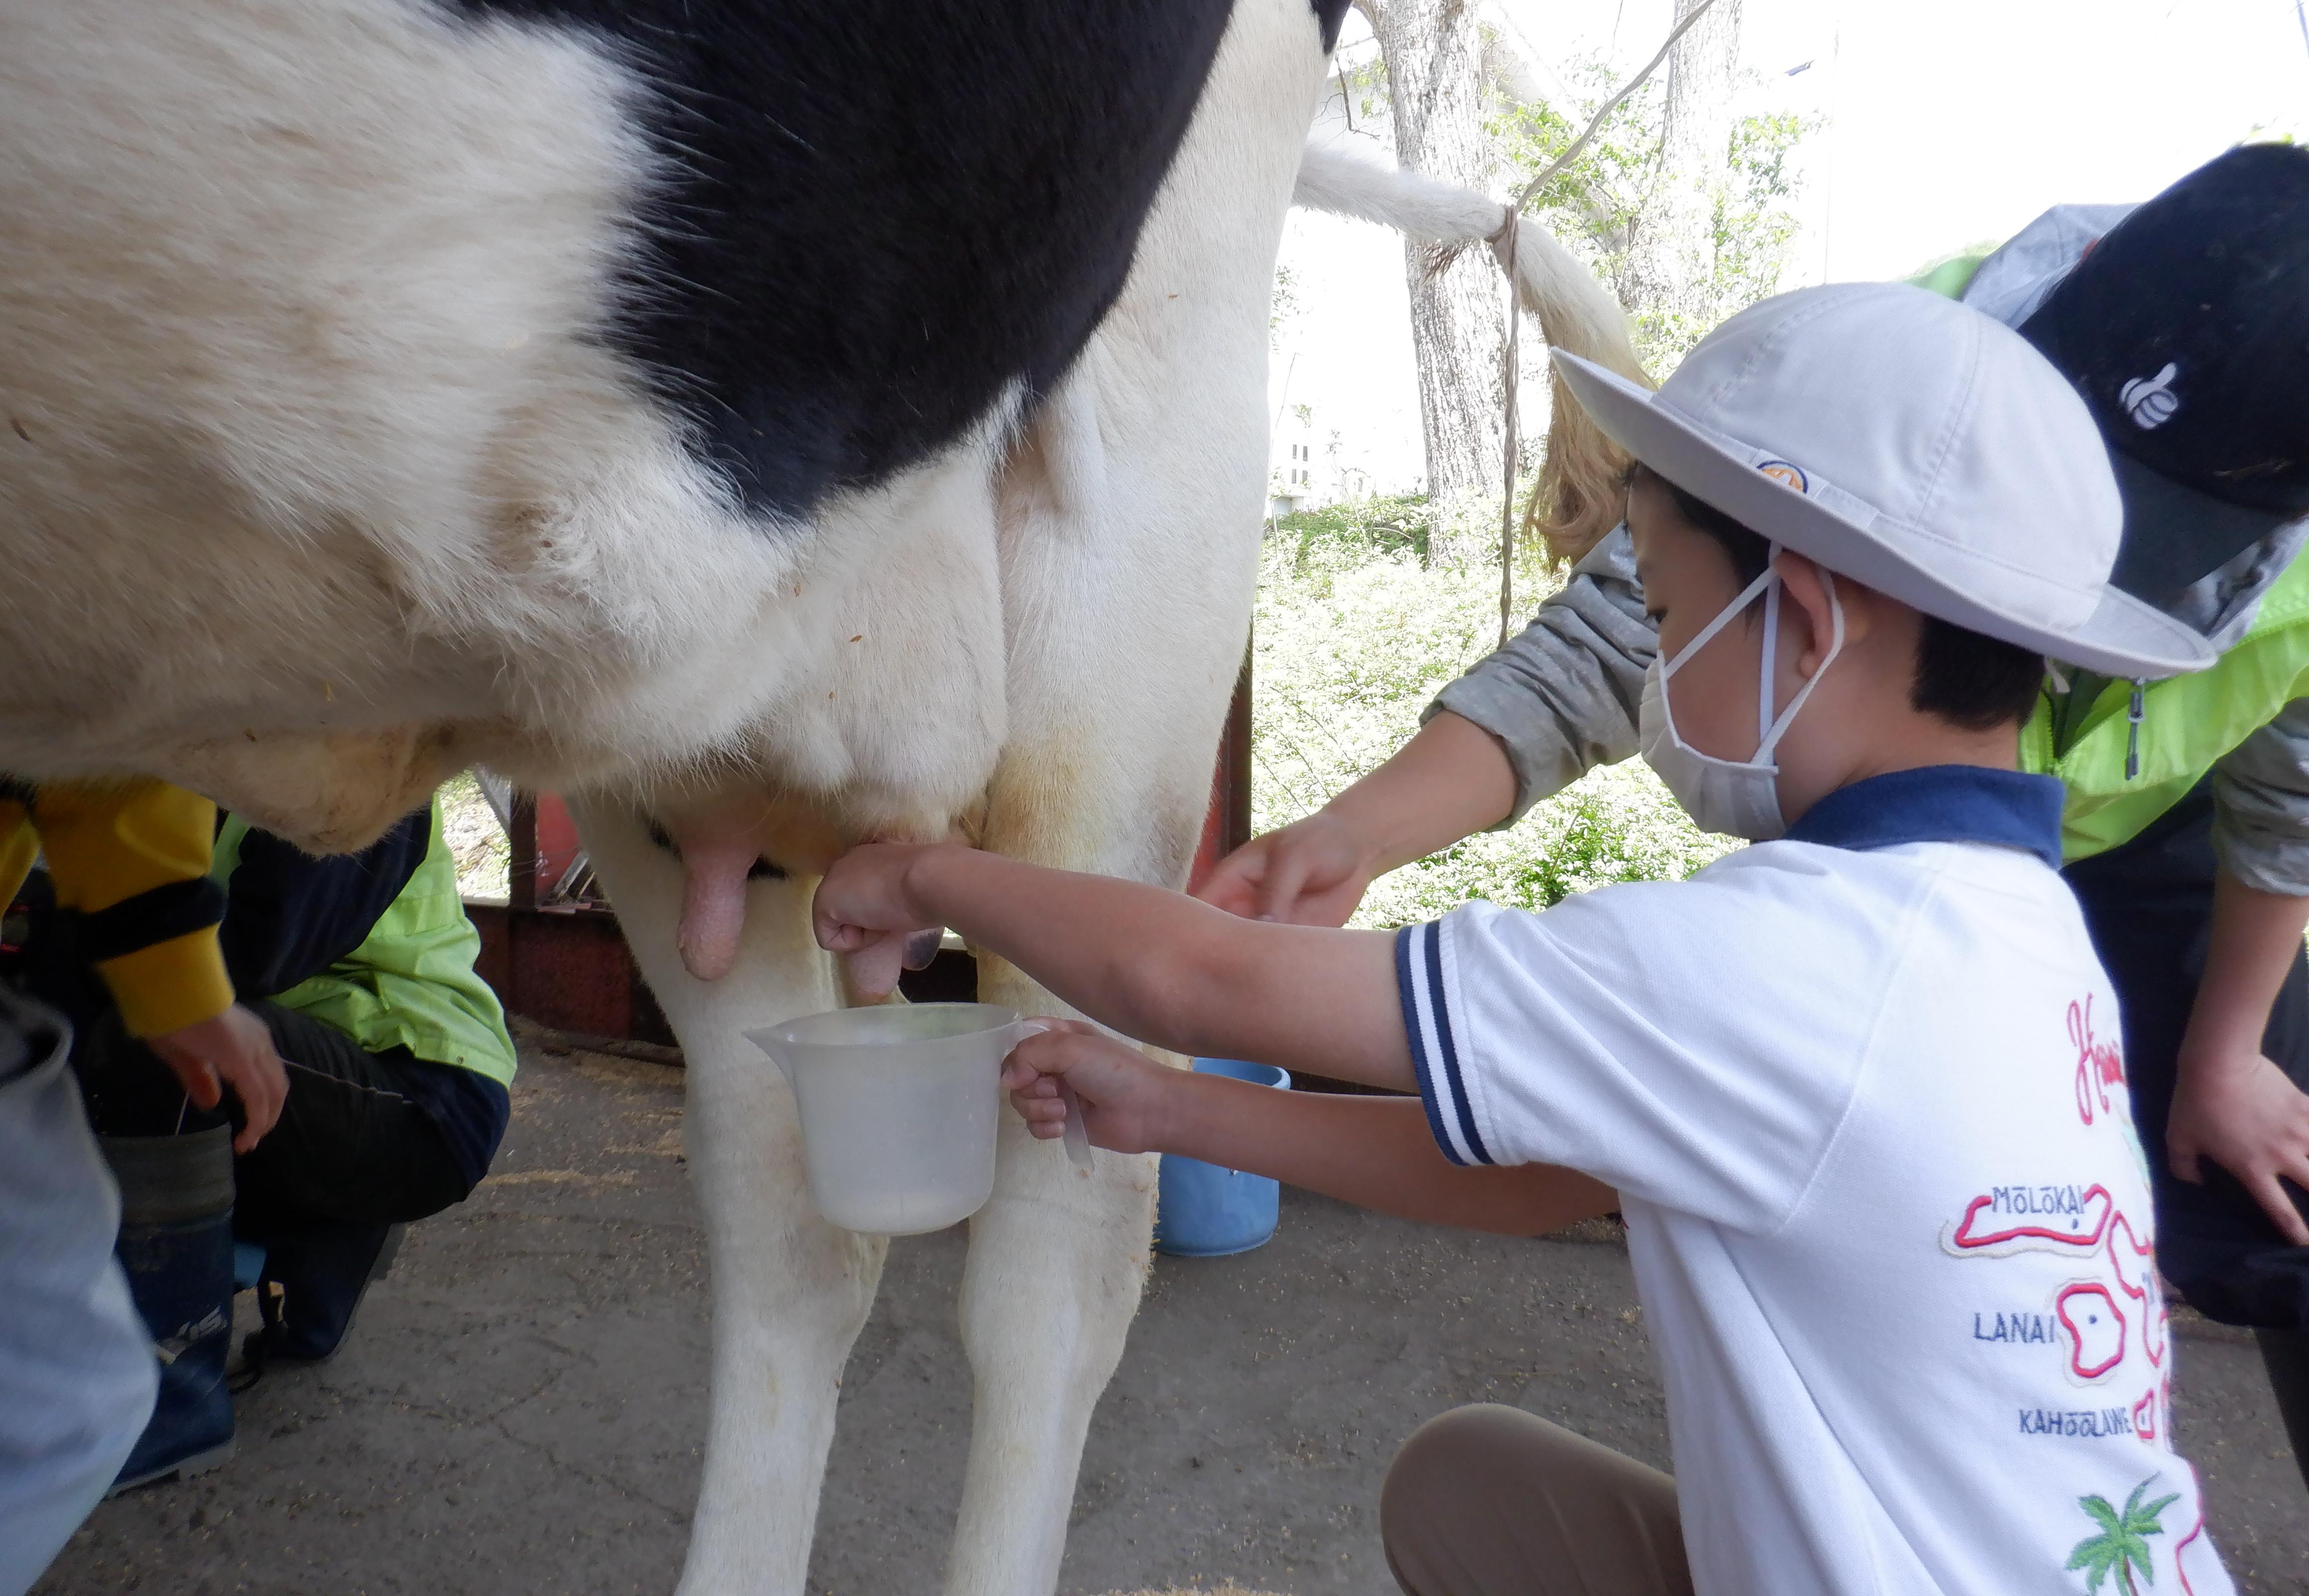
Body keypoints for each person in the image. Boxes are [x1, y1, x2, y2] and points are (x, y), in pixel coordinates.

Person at [810, 282, 2239, 1594]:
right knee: (1479, 1491)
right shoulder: (2023, 937)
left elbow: (1193, 976)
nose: (1655, 664)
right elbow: (1549, 1178)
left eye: (1666, 614)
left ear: (1801, 619)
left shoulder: (1786, 962)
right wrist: (1172, 1111)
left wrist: (928, 872)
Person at [1199, 142, 2309, 1486]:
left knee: (2267, 1208)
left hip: (2135, 850)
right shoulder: (1898, 374)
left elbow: (2288, 798)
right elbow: (1613, 644)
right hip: (1921, 835)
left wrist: (2227, 1051)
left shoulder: (1752, 958)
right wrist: (1356, 834)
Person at [11, 791, 515, 1494]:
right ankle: (324, 1235)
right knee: (67, 1046)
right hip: (300, 1083)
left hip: (421, 1092)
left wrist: (61, 945)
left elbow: (257, 952)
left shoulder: (358, 771)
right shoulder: (154, 785)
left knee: (158, 1032)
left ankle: (176, 1400)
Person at [0, 777, 285, 1596]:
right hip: (186, 968)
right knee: (76, 1400)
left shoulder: (357, 802)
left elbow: (271, 948)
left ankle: (189, 1379)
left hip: (409, 1075)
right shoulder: (238, 754)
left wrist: (170, 978)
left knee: (148, 1050)